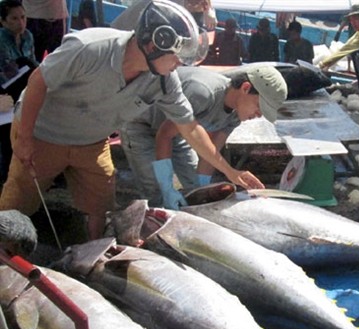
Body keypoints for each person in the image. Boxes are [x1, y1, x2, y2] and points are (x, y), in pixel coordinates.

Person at [0, 0, 263, 241]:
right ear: (152, 44)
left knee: (101, 203)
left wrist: (231, 172)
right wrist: (24, 139)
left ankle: (96, 254)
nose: (179, 65)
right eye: (176, 57)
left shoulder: (164, 79)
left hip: (92, 140)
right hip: (44, 134)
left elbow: (190, 127)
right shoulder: (90, 48)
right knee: (18, 202)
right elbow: (38, 82)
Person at [121, 64, 287, 209]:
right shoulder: (203, 92)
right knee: (155, 189)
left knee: (196, 187)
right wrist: (166, 187)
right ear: (245, 88)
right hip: (142, 125)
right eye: (259, 106)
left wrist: (204, 192)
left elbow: (212, 152)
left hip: (179, 132)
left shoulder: (237, 113)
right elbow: (163, 135)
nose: (259, 115)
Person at [0, 0, 38, 185]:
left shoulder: (28, 36)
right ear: (3, 21)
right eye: (14, 19)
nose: (21, 23)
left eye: (23, 17)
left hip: (22, 85)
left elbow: (34, 64)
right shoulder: (1, 40)